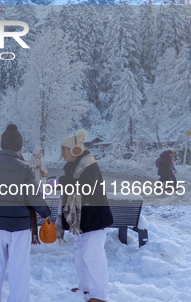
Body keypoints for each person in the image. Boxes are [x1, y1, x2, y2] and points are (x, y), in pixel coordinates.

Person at [0, 124, 51, 302]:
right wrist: (45, 212)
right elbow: (34, 196)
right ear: (19, 147)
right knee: (19, 269)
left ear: (2, 145)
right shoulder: (25, 168)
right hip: (19, 226)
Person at [56, 129, 114, 302]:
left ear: (74, 150)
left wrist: (63, 181)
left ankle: (100, 296)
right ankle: (86, 288)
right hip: (83, 220)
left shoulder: (90, 166)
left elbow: (85, 187)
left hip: (94, 219)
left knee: (93, 256)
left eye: (63, 150)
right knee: (80, 254)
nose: (62, 154)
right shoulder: (75, 167)